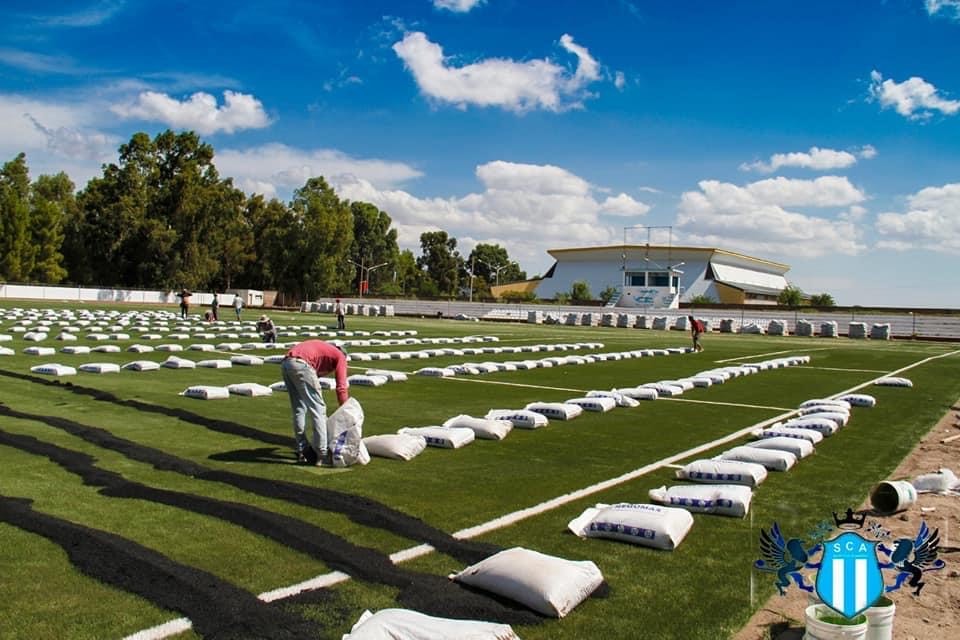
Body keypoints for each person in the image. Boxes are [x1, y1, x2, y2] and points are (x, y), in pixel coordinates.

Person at [281, 340, 349, 466]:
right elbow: (341, 387)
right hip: (302, 364)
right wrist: (345, 409)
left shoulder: (324, 349)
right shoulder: (340, 357)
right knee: (319, 410)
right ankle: (322, 454)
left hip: (286, 363)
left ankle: (303, 450)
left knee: (299, 409)